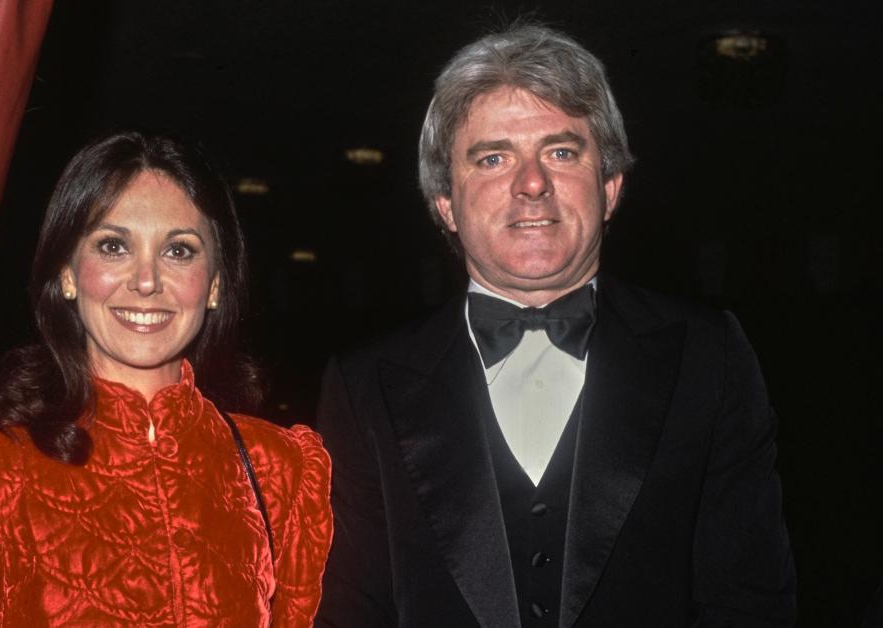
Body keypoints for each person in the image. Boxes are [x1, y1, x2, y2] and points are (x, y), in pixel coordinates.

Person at [314, 24, 795, 627]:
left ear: (611, 187)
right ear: (445, 205)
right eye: (493, 158)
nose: (532, 183)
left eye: (562, 152)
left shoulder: (710, 355)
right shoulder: (363, 388)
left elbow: (749, 605)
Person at [0, 131, 333, 626]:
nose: (146, 281)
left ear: (214, 284)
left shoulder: (281, 473)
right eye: (113, 246)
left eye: (179, 251)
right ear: (66, 273)